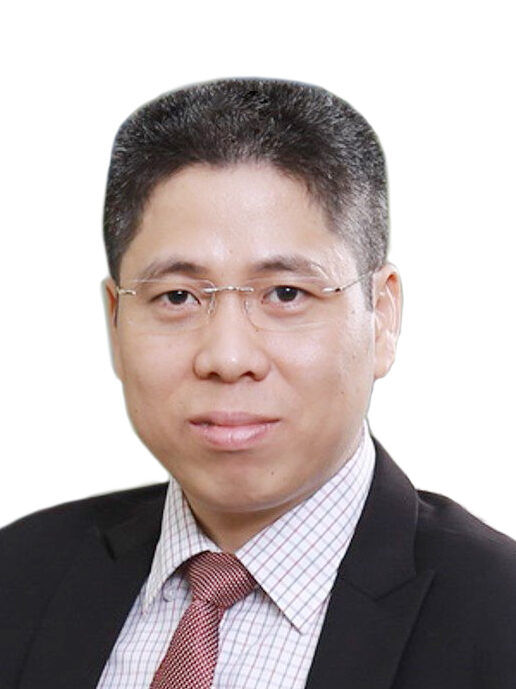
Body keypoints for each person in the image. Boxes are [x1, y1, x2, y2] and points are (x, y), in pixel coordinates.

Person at [1, 78, 515, 689]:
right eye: (177, 297)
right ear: (115, 319)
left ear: (381, 316)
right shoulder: (19, 575)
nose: (227, 357)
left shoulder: (497, 619)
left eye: (286, 293)